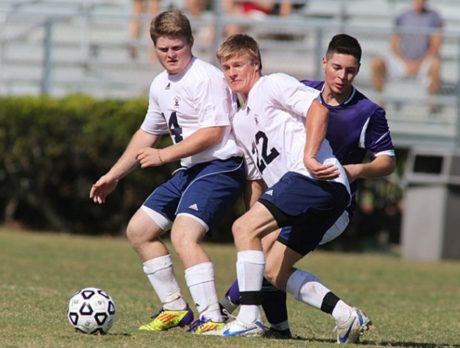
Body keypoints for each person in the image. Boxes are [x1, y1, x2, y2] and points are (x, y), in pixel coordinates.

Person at [219, 33, 396, 342]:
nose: (232, 73)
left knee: (243, 230)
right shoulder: (241, 122)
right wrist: (256, 218)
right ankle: (345, 315)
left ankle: (245, 317)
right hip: (311, 191)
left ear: (256, 64)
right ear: (325, 63)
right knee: (273, 270)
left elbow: (319, 110)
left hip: (314, 179)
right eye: (226, 67)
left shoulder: (272, 84)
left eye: (238, 65)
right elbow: (257, 179)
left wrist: (310, 156)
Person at [90, 9, 245, 334]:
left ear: (190, 42)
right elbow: (146, 134)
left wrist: (163, 156)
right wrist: (115, 175)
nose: (171, 54)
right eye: (164, 49)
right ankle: (176, 308)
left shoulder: (206, 77)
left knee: (183, 236)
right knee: (139, 231)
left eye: (177, 47)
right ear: (154, 48)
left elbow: (214, 132)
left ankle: (212, 317)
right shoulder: (160, 84)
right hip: (191, 170)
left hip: (221, 167)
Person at [371, 0, 443, 105]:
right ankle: (380, 101)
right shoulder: (402, 16)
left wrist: (417, 64)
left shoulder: (434, 17)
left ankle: (431, 104)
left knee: (436, 65)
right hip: (402, 60)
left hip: (423, 61)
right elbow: (394, 45)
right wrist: (407, 62)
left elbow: (435, 46)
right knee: (376, 63)